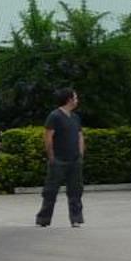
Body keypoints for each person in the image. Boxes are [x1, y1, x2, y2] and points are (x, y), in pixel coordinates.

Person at [37, 87, 84, 228]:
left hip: (75, 160)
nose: (77, 100)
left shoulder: (75, 117)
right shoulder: (54, 116)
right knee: (50, 191)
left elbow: (80, 136)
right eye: (75, 97)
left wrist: (80, 154)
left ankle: (76, 219)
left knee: (75, 191)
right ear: (69, 99)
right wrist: (51, 156)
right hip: (58, 159)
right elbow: (48, 137)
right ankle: (43, 219)